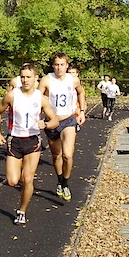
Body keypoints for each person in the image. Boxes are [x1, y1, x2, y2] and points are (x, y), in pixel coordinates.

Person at [0, 63, 58, 225]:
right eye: (22, 77)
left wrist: (46, 124)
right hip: (14, 140)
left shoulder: (41, 98)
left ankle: (22, 211)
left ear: (36, 78)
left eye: (28, 77)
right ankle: (21, 192)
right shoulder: (12, 95)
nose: (25, 80)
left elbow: (54, 120)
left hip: (32, 141)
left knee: (28, 179)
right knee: (13, 181)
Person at [38, 53, 87, 201]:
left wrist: (82, 111)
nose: (59, 68)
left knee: (68, 155)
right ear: (53, 66)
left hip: (68, 120)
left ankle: (65, 183)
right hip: (52, 121)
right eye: (57, 65)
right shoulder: (46, 80)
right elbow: (37, 98)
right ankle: (60, 180)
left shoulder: (73, 80)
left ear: (67, 65)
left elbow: (81, 91)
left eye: (62, 65)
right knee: (56, 155)